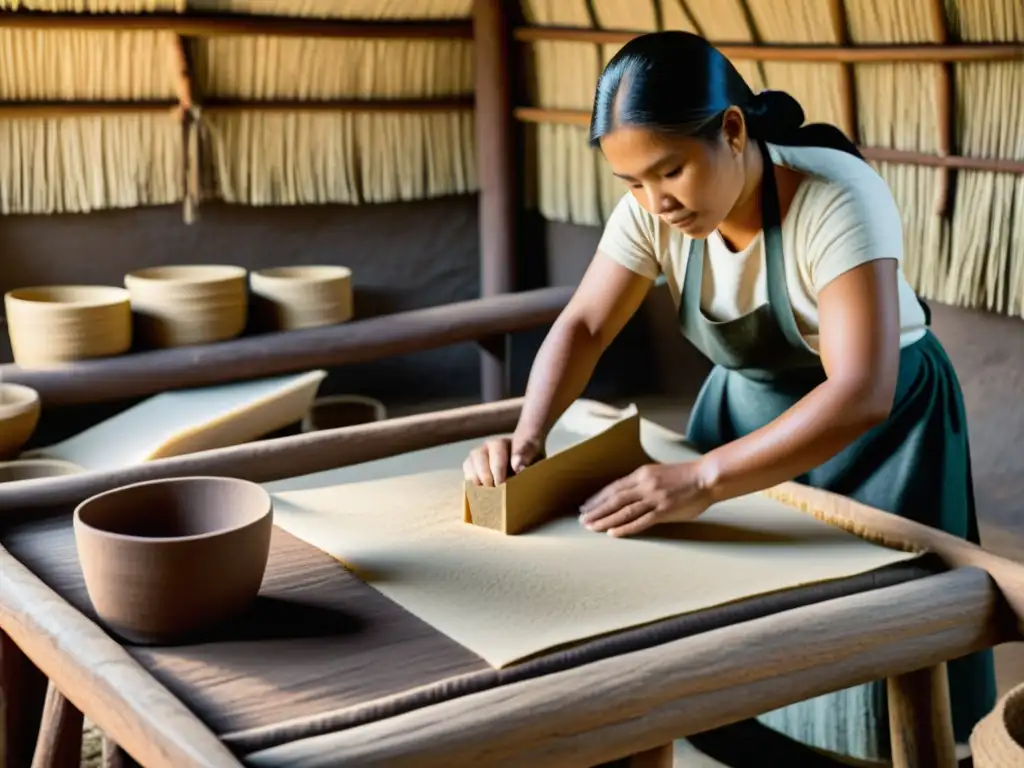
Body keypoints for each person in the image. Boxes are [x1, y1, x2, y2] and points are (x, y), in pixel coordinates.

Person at [463, 29, 995, 764]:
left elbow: (860, 388)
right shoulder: (652, 212)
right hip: (747, 408)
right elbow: (585, 324)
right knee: (732, 622)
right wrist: (529, 437)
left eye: (670, 170)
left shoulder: (836, 197)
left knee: (875, 635)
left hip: (884, 430)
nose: (656, 201)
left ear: (734, 130)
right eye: (632, 184)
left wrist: (702, 477)